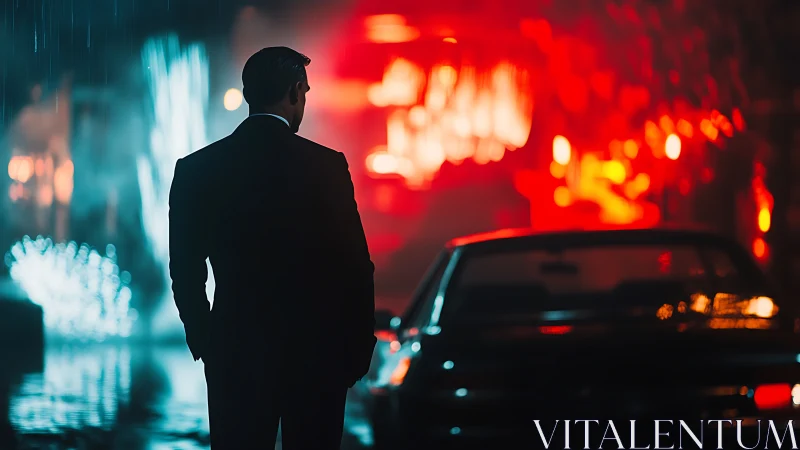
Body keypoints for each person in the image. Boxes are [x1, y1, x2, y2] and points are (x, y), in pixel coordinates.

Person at [168, 47, 376, 449]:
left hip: (235, 353)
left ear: (248, 95)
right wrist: (355, 350)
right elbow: (356, 267)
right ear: (296, 91)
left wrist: (207, 341)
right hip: (317, 355)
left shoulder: (196, 169)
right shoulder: (327, 167)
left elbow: (185, 271)